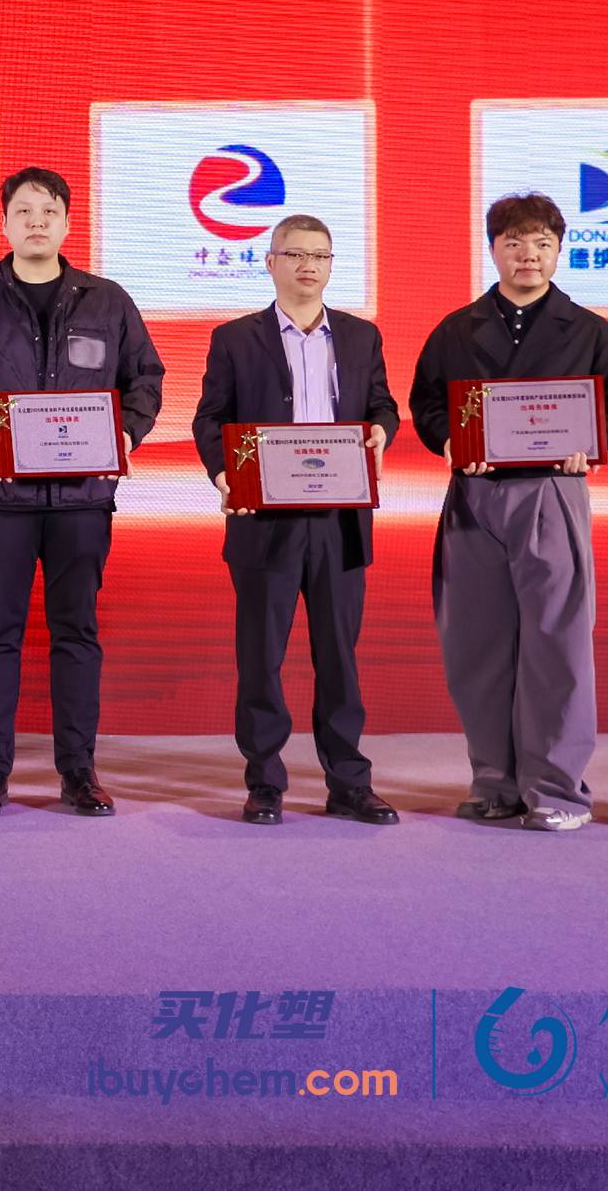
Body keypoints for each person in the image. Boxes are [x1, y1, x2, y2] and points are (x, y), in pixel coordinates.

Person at [0, 166, 161, 818]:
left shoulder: (108, 302)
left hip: (82, 499)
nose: (36, 221)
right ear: (4, 222)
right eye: (23, 210)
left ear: (68, 223)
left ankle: (79, 771)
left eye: (49, 211)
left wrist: (127, 433)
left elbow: (145, 378)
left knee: (77, 632)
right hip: (0, 500)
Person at [408, 194, 608, 833]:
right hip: (474, 496)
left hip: (551, 492)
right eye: (513, 243)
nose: (527, 255)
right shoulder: (456, 329)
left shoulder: (587, 329)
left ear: (558, 251)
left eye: (541, 244)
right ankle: (495, 783)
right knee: (476, 642)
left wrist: (593, 441)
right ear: (493, 249)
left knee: (558, 644)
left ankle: (559, 791)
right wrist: (448, 441)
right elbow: (428, 403)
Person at [194, 215, 402, 828]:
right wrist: (224, 474)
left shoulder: (361, 337)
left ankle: (349, 783)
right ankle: (265, 781)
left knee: (340, 657)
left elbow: (383, 404)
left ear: (331, 265)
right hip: (265, 522)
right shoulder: (235, 339)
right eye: (295, 254)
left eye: (320, 256)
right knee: (261, 658)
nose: (308, 265)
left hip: (340, 522)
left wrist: (381, 430)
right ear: (270, 262)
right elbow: (210, 418)